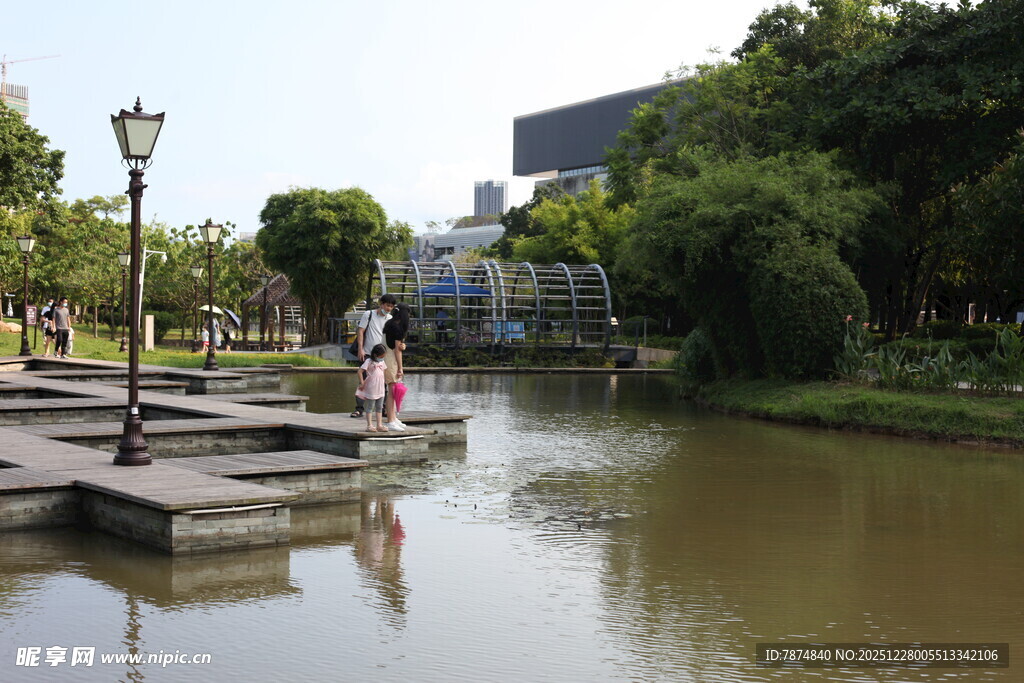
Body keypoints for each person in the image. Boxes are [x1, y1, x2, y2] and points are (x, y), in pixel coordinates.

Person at [350, 294, 396, 418]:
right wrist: (360, 349)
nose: (388, 308)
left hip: (383, 355)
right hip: (368, 353)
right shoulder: (369, 314)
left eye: (391, 306)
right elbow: (360, 331)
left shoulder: (390, 318)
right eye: (387, 305)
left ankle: (383, 409)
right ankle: (359, 409)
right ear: (381, 304)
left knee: (383, 382)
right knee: (363, 380)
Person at [383, 302, 410, 431]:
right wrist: (400, 368)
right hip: (391, 360)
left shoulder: (389, 323)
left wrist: (402, 346)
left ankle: (393, 417)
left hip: (385, 357)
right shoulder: (398, 328)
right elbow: (396, 351)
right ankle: (390, 420)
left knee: (392, 390)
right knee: (392, 391)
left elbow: (397, 346)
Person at [355, 343, 388, 432]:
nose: (382, 358)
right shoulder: (369, 361)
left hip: (380, 387)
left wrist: (385, 381)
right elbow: (360, 372)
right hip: (372, 387)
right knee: (370, 406)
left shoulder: (382, 362)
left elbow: (384, 371)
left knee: (380, 406)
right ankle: (369, 425)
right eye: (381, 356)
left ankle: (379, 425)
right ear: (375, 355)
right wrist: (362, 382)